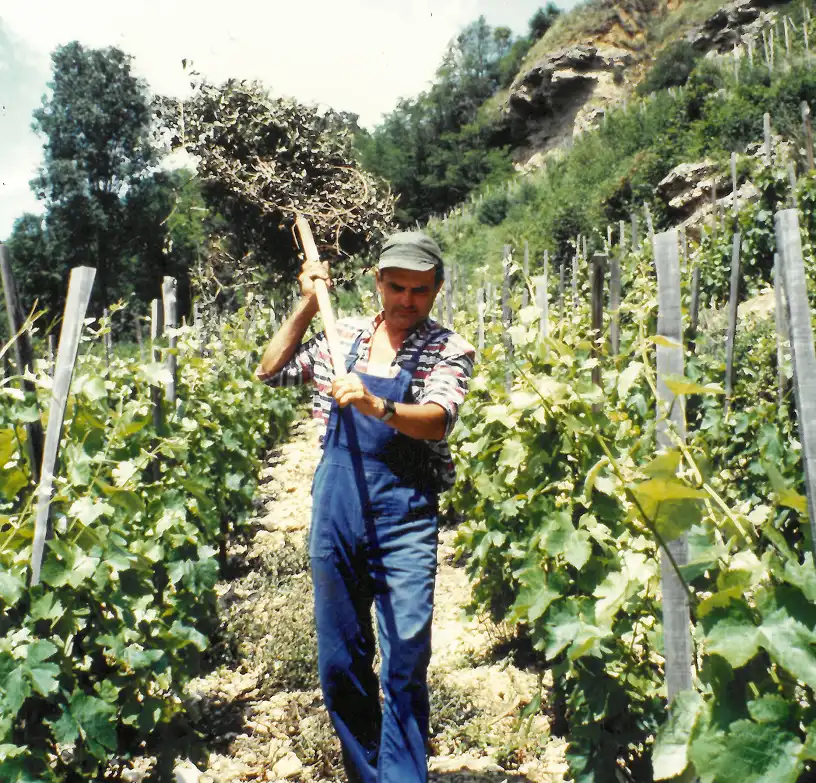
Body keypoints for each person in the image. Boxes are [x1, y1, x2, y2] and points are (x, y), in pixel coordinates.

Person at [256, 231, 475, 782]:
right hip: (337, 511)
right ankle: (366, 771)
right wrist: (309, 304)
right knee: (340, 660)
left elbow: (438, 419)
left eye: (420, 290)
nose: (407, 300)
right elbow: (271, 370)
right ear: (378, 283)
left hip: (404, 517)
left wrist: (379, 405)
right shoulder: (343, 336)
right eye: (396, 287)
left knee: (405, 657)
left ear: (437, 289)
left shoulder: (448, 349)